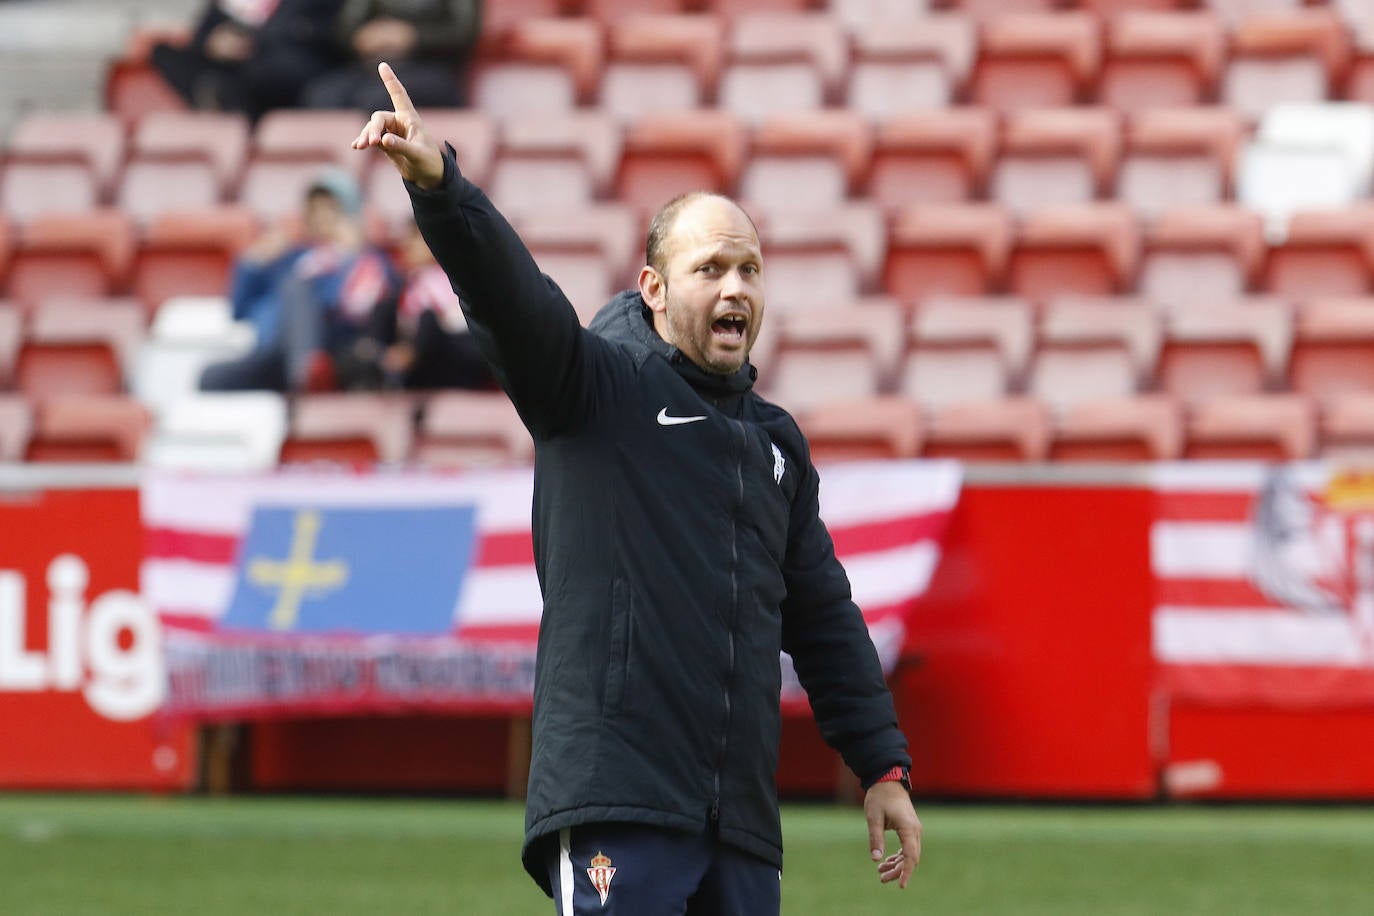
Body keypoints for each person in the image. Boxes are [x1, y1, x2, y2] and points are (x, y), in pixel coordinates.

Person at [354, 63, 922, 914]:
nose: (736, 288)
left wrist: (881, 764)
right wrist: (443, 190)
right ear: (654, 289)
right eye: (711, 268)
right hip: (618, 799)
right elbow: (514, 301)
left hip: (738, 823)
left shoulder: (776, 446)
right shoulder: (592, 389)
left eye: (752, 270)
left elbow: (821, 614)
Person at [200, 168, 398, 393]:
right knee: (210, 378)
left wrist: (348, 256)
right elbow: (239, 309)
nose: (322, 217)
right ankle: (300, 378)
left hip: (328, 355)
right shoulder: (292, 258)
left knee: (296, 287)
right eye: (315, 209)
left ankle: (304, 379)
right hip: (271, 354)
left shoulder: (368, 260)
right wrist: (255, 261)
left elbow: (351, 310)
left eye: (331, 209)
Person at [335, 221, 496, 391]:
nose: (407, 244)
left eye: (415, 238)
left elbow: (451, 327)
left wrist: (410, 352)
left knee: (428, 317)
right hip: (419, 366)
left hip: (456, 361)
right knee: (383, 311)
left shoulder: (449, 280)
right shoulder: (406, 285)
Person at [151, 0, 344, 122]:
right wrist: (214, 41)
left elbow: (320, 32)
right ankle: (215, 99)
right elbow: (201, 35)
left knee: (259, 70)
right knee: (164, 53)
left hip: (289, 62)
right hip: (231, 63)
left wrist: (254, 42)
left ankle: (224, 102)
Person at [303, 0, 482, 111]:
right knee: (323, 95)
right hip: (374, 67)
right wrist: (363, 35)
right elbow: (346, 27)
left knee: (377, 101)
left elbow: (465, 31)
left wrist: (413, 36)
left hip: (433, 68)